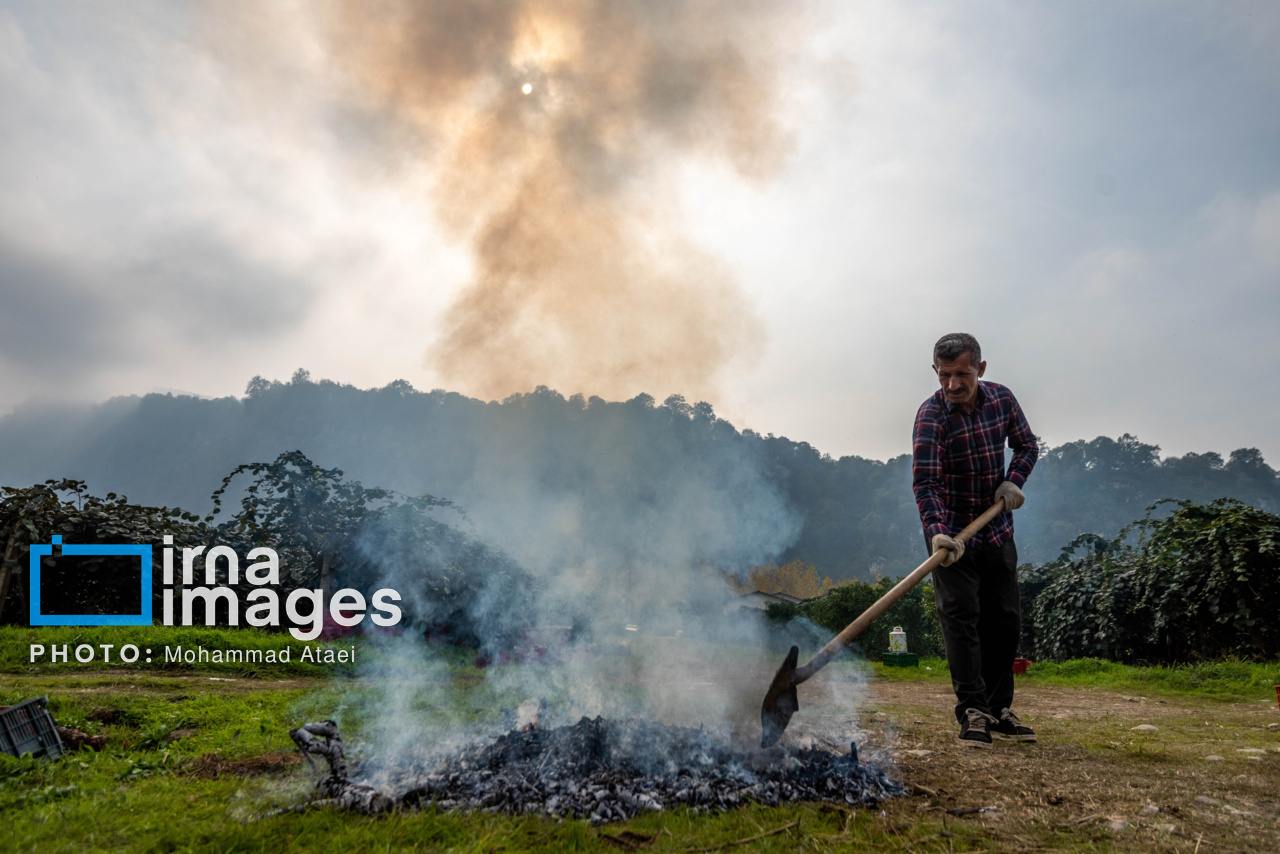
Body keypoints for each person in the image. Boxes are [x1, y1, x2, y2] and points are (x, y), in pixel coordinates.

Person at [912, 332, 1038, 749]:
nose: (952, 384)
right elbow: (926, 482)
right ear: (936, 372)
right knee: (961, 618)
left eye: (962, 374)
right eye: (944, 375)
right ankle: (973, 710)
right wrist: (937, 533)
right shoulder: (931, 416)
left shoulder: (1001, 400)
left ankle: (999, 707)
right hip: (952, 538)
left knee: (1004, 621)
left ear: (980, 370)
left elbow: (1026, 447)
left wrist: (1012, 482)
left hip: (997, 531)